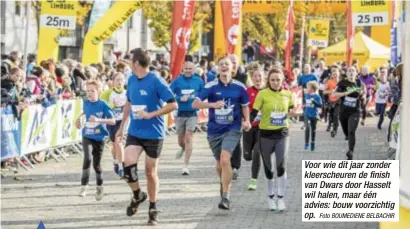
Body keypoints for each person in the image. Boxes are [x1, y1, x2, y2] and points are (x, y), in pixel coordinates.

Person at [115, 48, 177, 225]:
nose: (129, 64)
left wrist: (152, 114)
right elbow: (128, 103)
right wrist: (121, 127)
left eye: (130, 61)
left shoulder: (156, 80)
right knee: (128, 165)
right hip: (135, 131)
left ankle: (153, 206)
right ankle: (137, 195)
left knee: (150, 172)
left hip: (154, 133)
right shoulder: (132, 79)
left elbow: (173, 105)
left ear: (136, 63)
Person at [192, 56, 251, 210]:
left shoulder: (240, 87)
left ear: (233, 68)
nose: (224, 66)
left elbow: (245, 106)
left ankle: (226, 196)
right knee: (219, 164)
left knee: (225, 160)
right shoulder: (210, 86)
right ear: (218, 68)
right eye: (221, 64)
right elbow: (195, 103)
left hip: (233, 128)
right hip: (214, 131)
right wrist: (212, 104)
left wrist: (247, 120)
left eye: (227, 64)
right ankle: (224, 183)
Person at [250, 68, 295, 211]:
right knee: (269, 169)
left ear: (282, 80)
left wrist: (293, 113)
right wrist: (246, 123)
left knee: (281, 166)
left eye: (278, 80)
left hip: (282, 133)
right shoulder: (262, 94)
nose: (276, 82)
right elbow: (254, 112)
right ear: (268, 81)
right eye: (273, 80)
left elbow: (292, 110)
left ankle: (281, 198)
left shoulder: (288, 94)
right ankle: (270, 197)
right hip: (266, 135)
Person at [75, 80, 116, 200]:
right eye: (88, 91)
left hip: (99, 137)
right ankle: (84, 186)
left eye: (92, 91)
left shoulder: (103, 105)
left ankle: (99, 186)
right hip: (87, 135)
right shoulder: (85, 103)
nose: (89, 93)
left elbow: (112, 121)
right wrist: (79, 119)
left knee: (96, 164)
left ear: (98, 92)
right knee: (87, 158)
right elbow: (85, 112)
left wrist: (99, 120)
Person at [170, 60, 204, 175]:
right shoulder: (177, 81)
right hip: (180, 113)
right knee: (181, 140)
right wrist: (179, 98)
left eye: (190, 69)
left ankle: (185, 166)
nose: (188, 71)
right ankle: (183, 148)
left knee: (189, 137)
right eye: (186, 69)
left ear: (194, 69)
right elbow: (169, 94)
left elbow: (203, 93)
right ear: (183, 69)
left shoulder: (199, 81)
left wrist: (197, 97)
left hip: (193, 113)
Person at [332, 66, 366, 160]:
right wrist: (345, 93)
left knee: (351, 131)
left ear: (356, 73)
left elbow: (364, 92)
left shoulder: (359, 83)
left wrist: (364, 96)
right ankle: (347, 136)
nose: (351, 72)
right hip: (343, 112)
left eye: (353, 71)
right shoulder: (342, 83)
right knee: (346, 132)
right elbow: (334, 94)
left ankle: (350, 152)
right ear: (347, 74)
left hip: (355, 111)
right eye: (349, 71)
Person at [100, 72, 127, 177]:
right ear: (113, 82)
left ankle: (121, 167)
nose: (120, 82)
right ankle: (116, 161)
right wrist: (111, 105)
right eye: (117, 80)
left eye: (121, 80)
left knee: (118, 141)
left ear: (124, 81)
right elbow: (101, 106)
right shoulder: (108, 93)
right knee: (113, 144)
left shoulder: (127, 93)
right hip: (111, 121)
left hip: (122, 121)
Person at [228, 54, 248, 180]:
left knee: (235, 140)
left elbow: (246, 96)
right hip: (224, 113)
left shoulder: (243, 77)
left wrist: (246, 118)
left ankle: (235, 166)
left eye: (235, 62)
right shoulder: (221, 76)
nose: (233, 64)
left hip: (238, 112)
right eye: (231, 62)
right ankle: (226, 164)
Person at [243, 69, 264, 191]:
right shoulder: (248, 91)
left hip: (263, 127)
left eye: (260, 76)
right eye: (255, 76)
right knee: (247, 156)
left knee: (257, 152)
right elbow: (243, 107)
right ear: (252, 78)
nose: (257, 78)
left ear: (263, 77)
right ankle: (247, 153)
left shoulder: (267, 92)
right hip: (249, 126)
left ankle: (253, 180)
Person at [298, 64, 319, 130]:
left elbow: (317, 85)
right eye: (305, 68)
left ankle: (313, 120)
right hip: (304, 95)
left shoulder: (313, 76)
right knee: (305, 109)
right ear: (303, 69)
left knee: (312, 108)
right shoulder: (301, 77)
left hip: (312, 95)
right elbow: (299, 86)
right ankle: (305, 123)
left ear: (310, 69)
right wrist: (301, 87)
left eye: (308, 68)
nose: (306, 69)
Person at [303, 81, 322, 151]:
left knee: (313, 130)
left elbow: (320, 106)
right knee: (307, 127)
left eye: (308, 87)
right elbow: (305, 102)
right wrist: (304, 105)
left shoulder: (317, 96)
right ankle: (306, 143)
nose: (307, 89)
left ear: (313, 89)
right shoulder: (307, 95)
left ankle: (312, 142)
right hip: (307, 114)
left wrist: (314, 102)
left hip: (314, 115)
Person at [324, 65, 341, 137]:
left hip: (339, 102)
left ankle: (334, 130)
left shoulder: (342, 82)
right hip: (331, 101)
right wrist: (331, 91)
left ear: (338, 72)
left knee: (336, 116)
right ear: (331, 73)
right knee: (331, 116)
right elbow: (324, 92)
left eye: (336, 71)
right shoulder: (329, 82)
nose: (334, 73)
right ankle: (330, 124)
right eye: (333, 71)